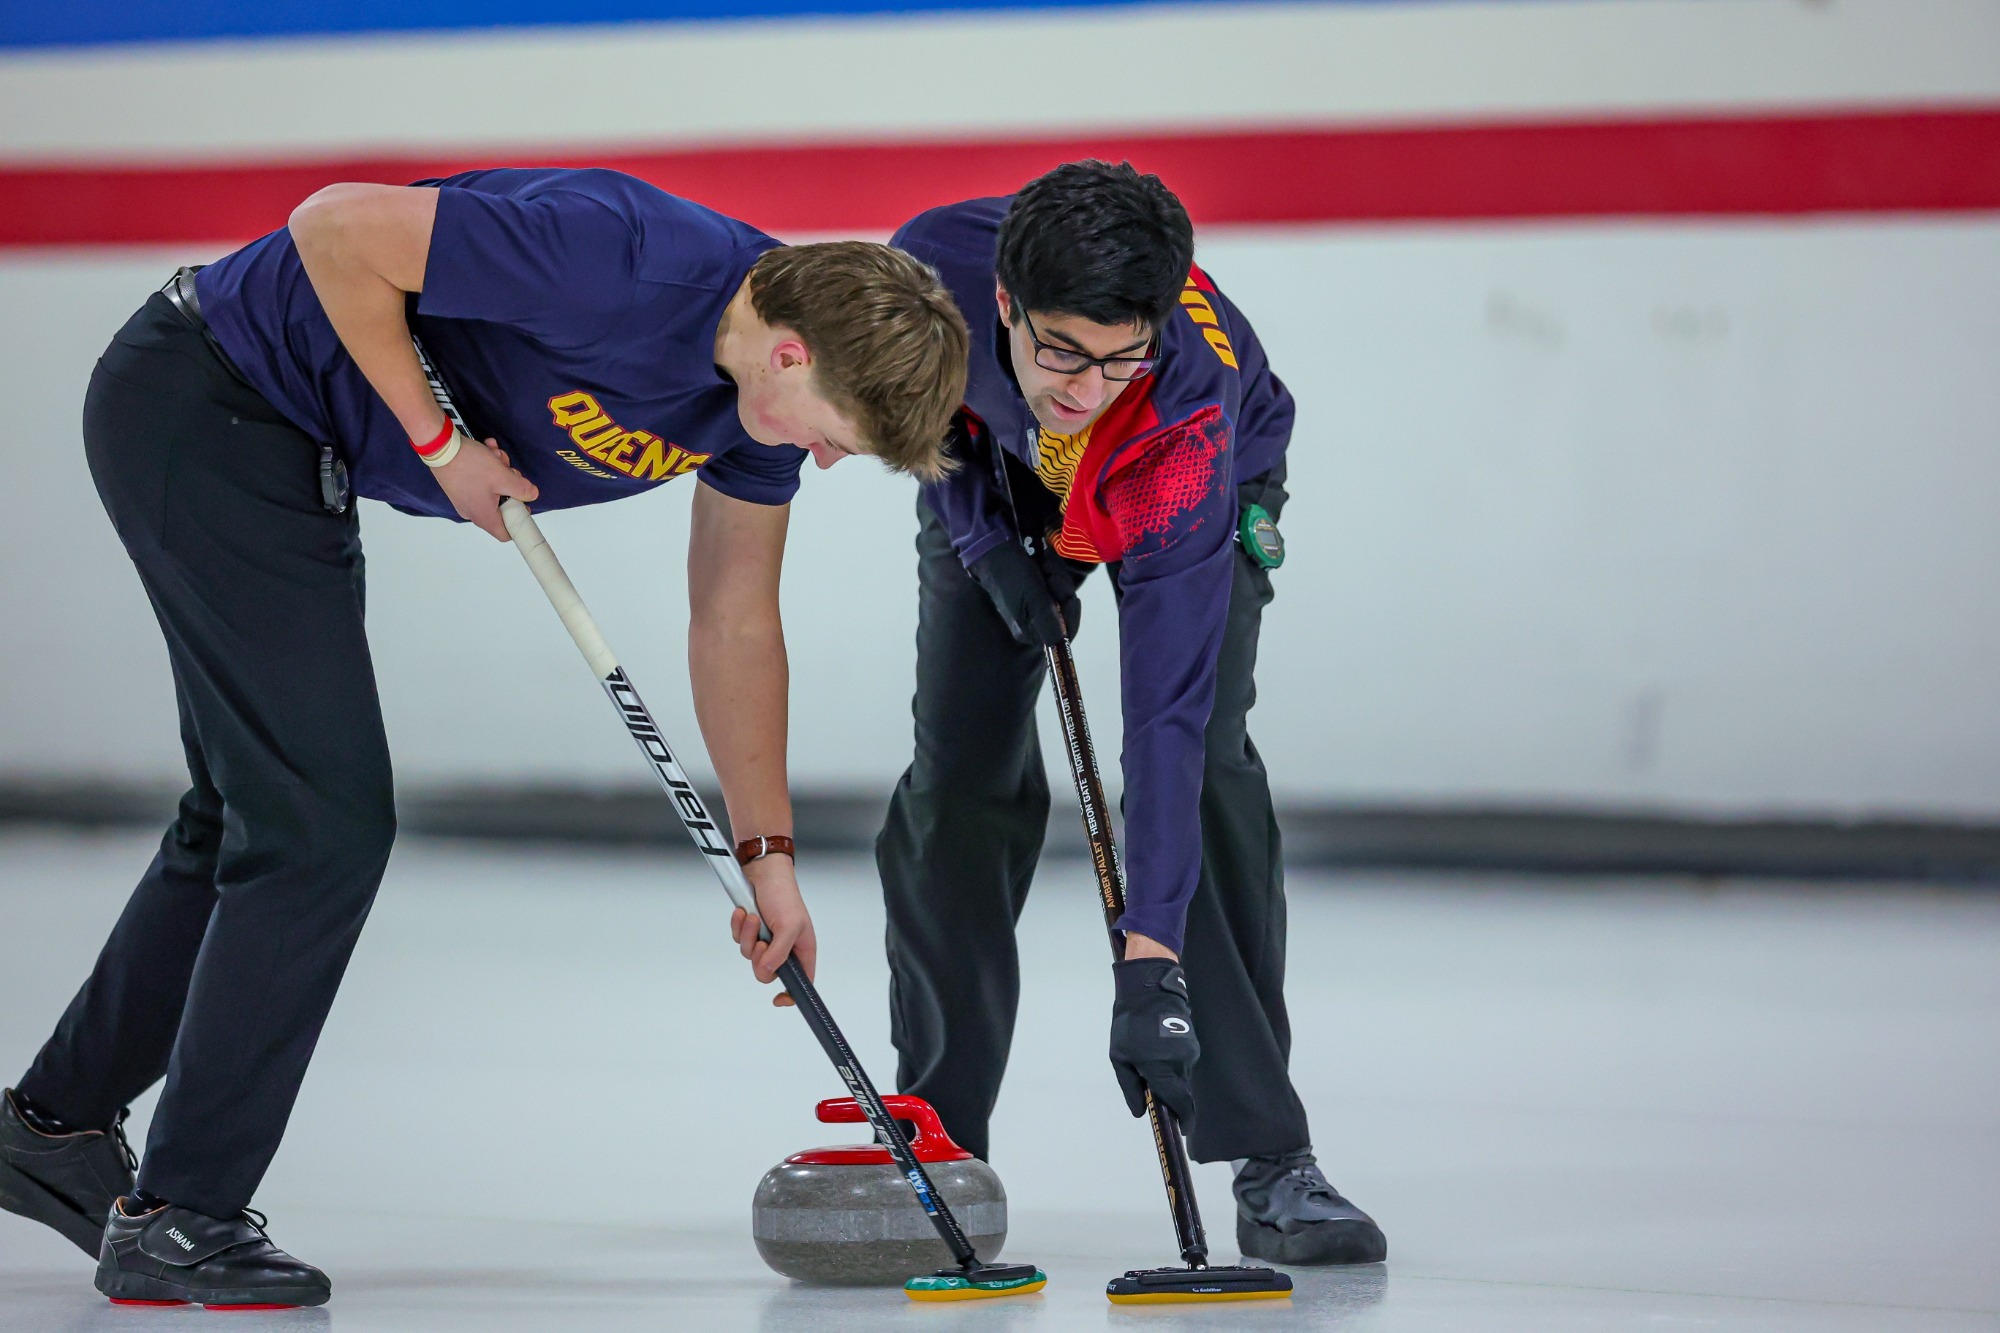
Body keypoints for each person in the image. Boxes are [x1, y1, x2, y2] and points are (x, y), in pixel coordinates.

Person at [0, 166, 968, 1309]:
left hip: (283, 447)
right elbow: (336, 228)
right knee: (321, 824)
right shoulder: (620, 258)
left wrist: (770, 859)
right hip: (205, 397)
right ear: (792, 356)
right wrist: (438, 441)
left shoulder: (749, 406)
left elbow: (735, 620)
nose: (821, 460)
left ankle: (51, 1131)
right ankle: (180, 1219)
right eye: (832, 439)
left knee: (254, 812)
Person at [876, 161, 1386, 1266]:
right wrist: (981, 539)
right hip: (993, 470)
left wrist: (1147, 959)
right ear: (1002, 304)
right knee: (957, 778)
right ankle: (936, 1136)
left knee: (1199, 766)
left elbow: (1158, 711)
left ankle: (1269, 1156)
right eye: (1058, 349)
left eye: (1117, 356)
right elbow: (921, 411)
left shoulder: (1177, 410)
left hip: (1189, 482)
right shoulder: (924, 275)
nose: (1083, 387)